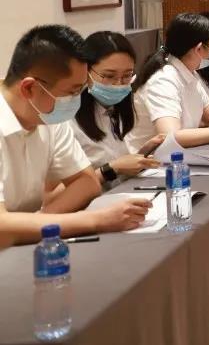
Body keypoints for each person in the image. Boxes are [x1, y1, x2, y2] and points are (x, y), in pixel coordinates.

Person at [0, 25, 150, 244]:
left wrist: (42, 224)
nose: (76, 101)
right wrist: (96, 220)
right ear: (29, 88)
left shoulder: (47, 117)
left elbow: (86, 182)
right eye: (71, 92)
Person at [129, 13, 209, 150]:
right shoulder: (163, 80)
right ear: (199, 48)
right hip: (151, 160)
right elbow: (170, 137)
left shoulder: (189, 72)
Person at [71, 32, 162, 188]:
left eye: (127, 75)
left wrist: (142, 155)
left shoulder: (115, 108)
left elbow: (116, 162)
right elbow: (65, 190)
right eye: (109, 76)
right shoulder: (68, 118)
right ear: (86, 71)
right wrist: (112, 169)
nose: (119, 84)